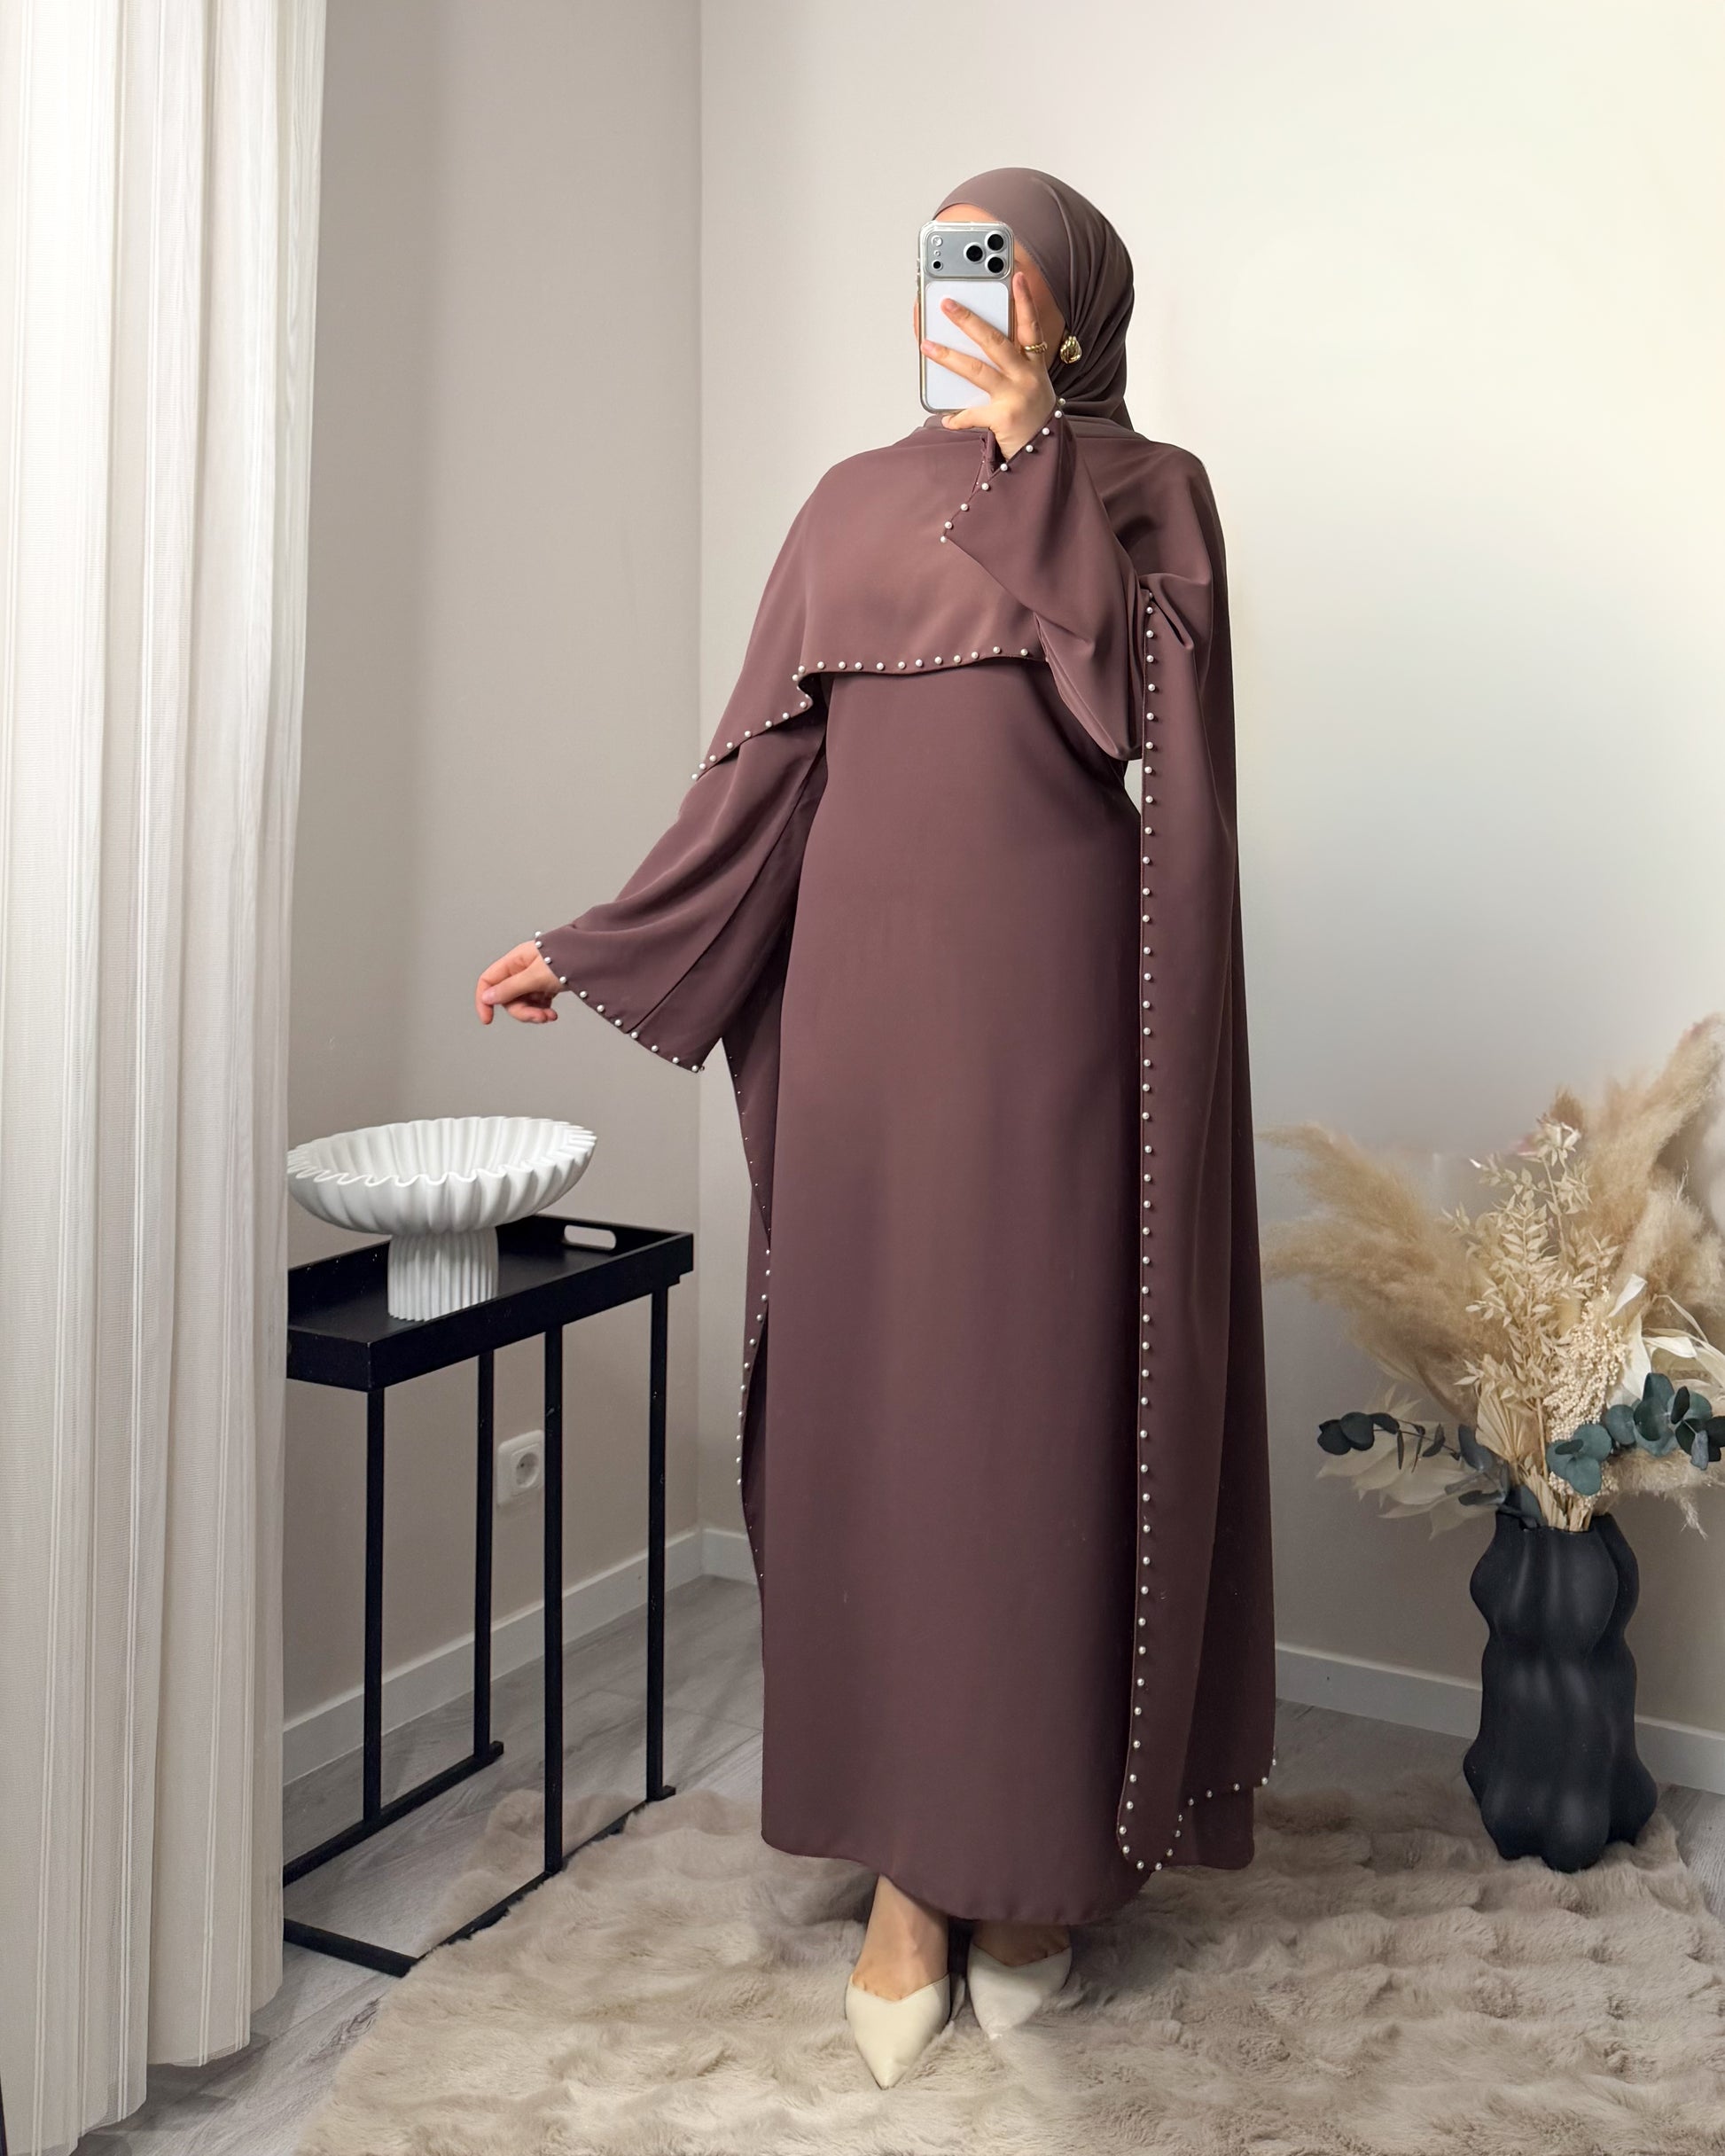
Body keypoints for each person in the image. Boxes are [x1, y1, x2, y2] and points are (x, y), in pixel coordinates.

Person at [475, 168, 1275, 2090]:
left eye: (1001, 262)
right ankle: (913, 1876)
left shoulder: (1146, 494)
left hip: (1065, 1048)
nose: (964, 289)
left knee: (1036, 1435)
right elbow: (760, 780)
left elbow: (1152, 743)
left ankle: (1034, 1865)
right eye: (942, 256)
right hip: (863, 1047)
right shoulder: (845, 505)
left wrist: (1033, 463)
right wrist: (600, 940)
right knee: (889, 1439)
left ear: (1072, 302)